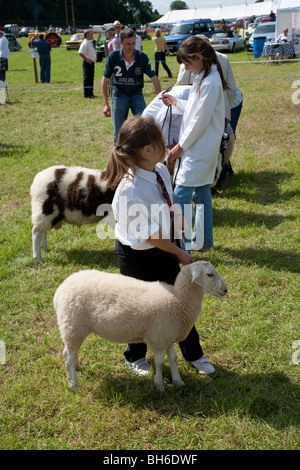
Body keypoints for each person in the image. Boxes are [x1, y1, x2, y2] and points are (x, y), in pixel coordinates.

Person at [104, 115, 216, 377]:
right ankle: (135, 355)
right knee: (140, 306)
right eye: (161, 140)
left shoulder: (161, 170)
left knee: (181, 300)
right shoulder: (130, 190)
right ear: (147, 149)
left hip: (164, 247)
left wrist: (178, 231)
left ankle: (194, 354)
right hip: (138, 256)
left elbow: (168, 206)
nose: (167, 143)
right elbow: (150, 237)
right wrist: (179, 252)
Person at [160, 36, 226, 252]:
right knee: (202, 195)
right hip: (200, 148)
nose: (186, 68)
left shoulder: (211, 82)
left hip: (199, 149)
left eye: (188, 63)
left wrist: (180, 146)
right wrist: (175, 101)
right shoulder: (203, 77)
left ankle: (182, 247)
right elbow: (196, 110)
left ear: (199, 57)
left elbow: (200, 120)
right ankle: (204, 241)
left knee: (181, 196)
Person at [101, 28, 161, 145]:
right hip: (119, 95)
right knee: (118, 132)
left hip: (137, 95)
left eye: (133, 43)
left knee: (144, 127)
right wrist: (105, 104)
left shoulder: (142, 57)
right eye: (128, 44)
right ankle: (119, 158)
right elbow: (104, 80)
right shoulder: (113, 57)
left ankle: (143, 155)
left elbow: (154, 78)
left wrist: (160, 97)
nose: (131, 46)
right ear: (121, 42)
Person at [78, 29, 97, 99]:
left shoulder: (89, 42)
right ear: (87, 35)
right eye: (91, 34)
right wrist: (86, 59)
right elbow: (80, 52)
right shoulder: (85, 43)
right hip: (87, 63)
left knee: (91, 78)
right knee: (87, 78)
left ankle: (91, 93)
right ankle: (87, 94)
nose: (92, 35)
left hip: (91, 63)